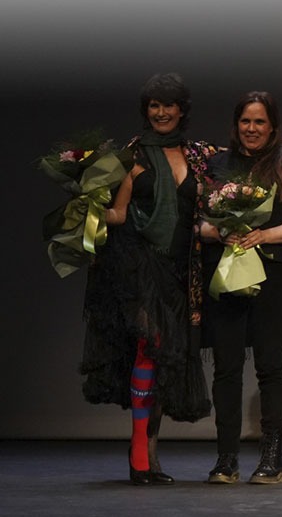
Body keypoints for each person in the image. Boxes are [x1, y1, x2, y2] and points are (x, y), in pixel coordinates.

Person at [80, 73, 218, 485]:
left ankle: (149, 453)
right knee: (149, 346)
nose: (161, 112)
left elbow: (246, 151)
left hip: (181, 270)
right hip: (137, 263)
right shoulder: (130, 155)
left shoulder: (198, 155)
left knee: (161, 360)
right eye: (154, 105)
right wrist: (84, 207)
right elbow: (119, 213)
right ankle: (140, 452)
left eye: (168, 104)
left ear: (181, 110)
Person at [199, 92, 282, 484]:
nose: (252, 128)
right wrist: (220, 232)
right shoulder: (216, 163)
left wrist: (263, 235)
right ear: (236, 125)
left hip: (273, 275)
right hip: (226, 274)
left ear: (273, 126)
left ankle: (271, 458)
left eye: (260, 122)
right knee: (227, 366)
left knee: (270, 364)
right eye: (245, 121)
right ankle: (226, 458)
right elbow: (199, 223)